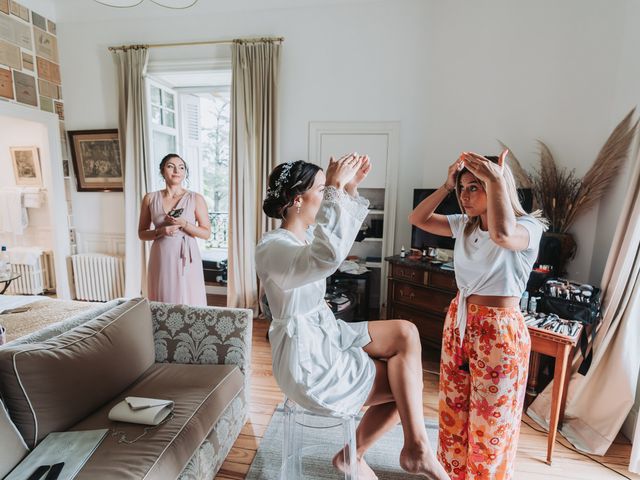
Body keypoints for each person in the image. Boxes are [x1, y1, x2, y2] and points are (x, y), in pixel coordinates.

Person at [255, 156, 449, 480]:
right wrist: (335, 188)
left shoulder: (303, 237)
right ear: (298, 199)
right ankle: (378, 453)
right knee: (406, 383)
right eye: (320, 189)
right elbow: (327, 257)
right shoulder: (272, 246)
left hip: (325, 333)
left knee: (406, 333)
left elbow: (336, 245)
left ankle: (413, 448)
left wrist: (347, 189)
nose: (326, 194)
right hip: (307, 361)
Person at [409, 150, 548, 480]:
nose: (465, 195)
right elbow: (418, 219)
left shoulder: (528, 227)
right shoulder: (464, 225)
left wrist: (496, 177)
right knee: (453, 412)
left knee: (491, 422)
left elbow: (501, 236)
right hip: (459, 321)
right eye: (462, 188)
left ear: (499, 186)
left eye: (475, 186)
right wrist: (445, 185)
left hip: (499, 333)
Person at [138, 153, 211, 306]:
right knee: (163, 296)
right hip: (161, 255)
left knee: (189, 297)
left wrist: (185, 224)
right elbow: (142, 233)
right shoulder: (150, 198)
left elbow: (206, 233)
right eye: (171, 166)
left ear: (185, 173)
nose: (176, 170)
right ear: (162, 171)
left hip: (187, 255)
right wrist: (161, 232)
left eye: (181, 167)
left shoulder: (195, 198)